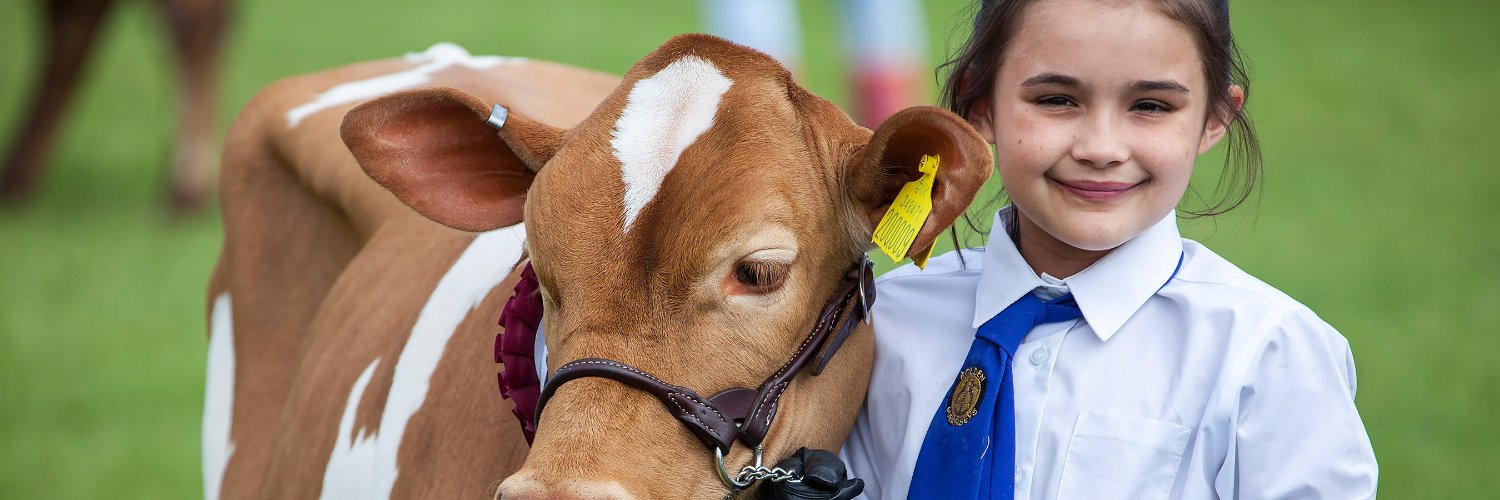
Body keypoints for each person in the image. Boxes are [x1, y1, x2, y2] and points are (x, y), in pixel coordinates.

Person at [839, 0, 1379, 498]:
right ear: (980, 104)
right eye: (1056, 100)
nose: (1100, 149)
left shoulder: (1269, 356)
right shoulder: (882, 318)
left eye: (1150, 105)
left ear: (1214, 117)